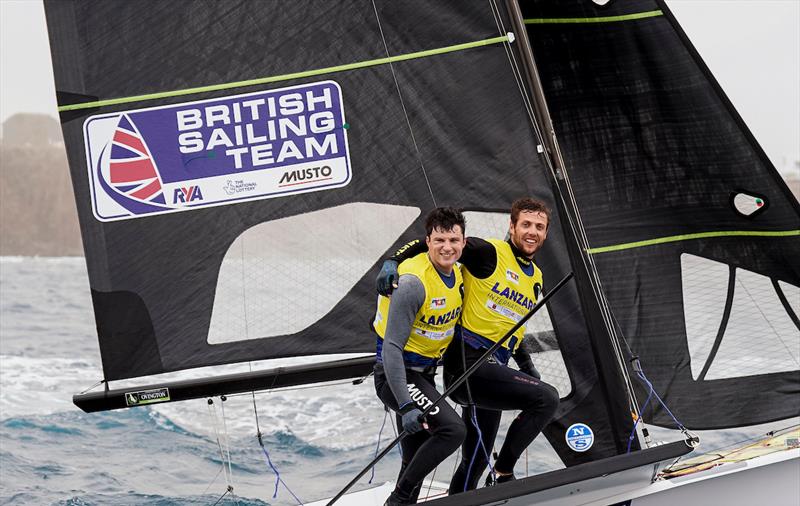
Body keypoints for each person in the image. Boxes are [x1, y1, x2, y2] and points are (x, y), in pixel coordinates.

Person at [376, 198, 559, 493]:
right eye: (525, 224)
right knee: (547, 398)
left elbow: (511, 326)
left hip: (493, 367)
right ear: (512, 227)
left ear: (546, 233)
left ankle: (459, 499)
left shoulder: (536, 277)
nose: (532, 231)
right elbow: (440, 244)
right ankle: (504, 471)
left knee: (476, 458)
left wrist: (527, 365)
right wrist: (393, 261)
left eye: (539, 227)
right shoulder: (488, 253)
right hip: (468, 364)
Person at [373, 207, 468, 505]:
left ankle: (404, 500)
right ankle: (398, 499)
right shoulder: (413, 284)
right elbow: (391, 348)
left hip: (424, 375)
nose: (447, 247)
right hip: (397, 376)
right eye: (439, 240)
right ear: (427, 241)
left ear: (463, 243)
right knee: (453, 430)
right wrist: (405, 403)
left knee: (413, 460)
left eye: (454, 240)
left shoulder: (458, 271)